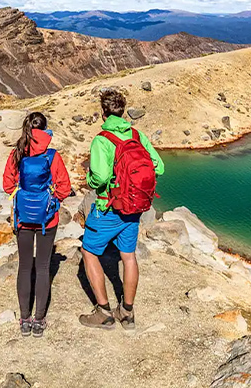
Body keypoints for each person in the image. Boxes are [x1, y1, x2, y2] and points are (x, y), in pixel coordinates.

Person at [79, 89, 164, 330]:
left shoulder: (102, 139)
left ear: (103, 112)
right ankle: (127, 313)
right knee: (128, 256)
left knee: (89, 251)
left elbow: (101, 177)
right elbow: (159, 166)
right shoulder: (137, 135)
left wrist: (92, 180)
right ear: (123, 110)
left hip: (109, 207)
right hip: (135, 208)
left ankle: (104, 312)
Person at [3, 112, 71, 338]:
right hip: (47, 220)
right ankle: (39, 320)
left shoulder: (17, 153)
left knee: (24, 266)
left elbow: (7, 184)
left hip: (23, 218)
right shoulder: (53, 156)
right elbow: (64, 186)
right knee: (43, 267)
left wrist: (21, 195)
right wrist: (51, 202)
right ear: (46, 129)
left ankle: (24, 319)